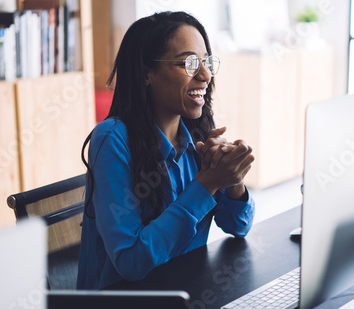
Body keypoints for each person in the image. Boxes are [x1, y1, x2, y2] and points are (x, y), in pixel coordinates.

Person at [77, 11, 255, 290]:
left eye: (206, 62)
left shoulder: (199, 132)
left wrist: (233, 180)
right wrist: (206, 184)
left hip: (185, 291)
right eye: (189, 63)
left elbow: (238, 226)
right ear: (146, 73)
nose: (205, 75)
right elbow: (131, 263)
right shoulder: (112, 139)